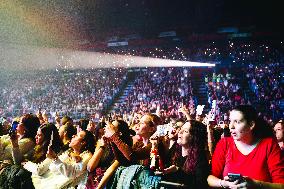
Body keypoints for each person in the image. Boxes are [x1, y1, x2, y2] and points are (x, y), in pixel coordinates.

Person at [207, 105, 284, 188]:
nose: (231, 126)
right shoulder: (224, 144)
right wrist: (224, 183)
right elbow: (210, 178)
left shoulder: (269, 145)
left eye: (237, 122)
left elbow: (281, 185)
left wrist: (256, 185)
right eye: (230, 121)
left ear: (251, 125)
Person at [24, 130, 95, 189]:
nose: (73, 136)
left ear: (83, 142)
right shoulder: (68, 152)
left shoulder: (87, 155)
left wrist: (55, 158)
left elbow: (72, 173)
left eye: (77, 135)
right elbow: (52, 167)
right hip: (46, 182)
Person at [162, 120, 209, 188]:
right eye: (181, 129)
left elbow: (199, 184)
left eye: (185, 131)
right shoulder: (174, 149)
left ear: (194, 137)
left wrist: (178, 171)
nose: (180, 132)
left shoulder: (200, 157)